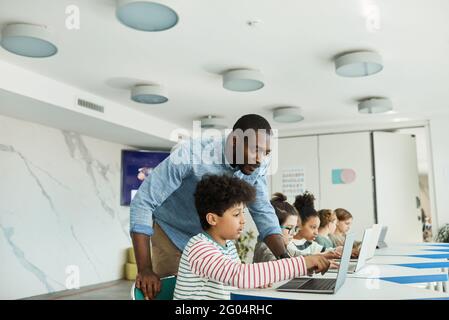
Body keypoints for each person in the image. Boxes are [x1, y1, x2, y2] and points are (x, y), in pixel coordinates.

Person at [130, 114, 294, 299]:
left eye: (267, 153)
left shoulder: (257, 164)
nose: (261, 159)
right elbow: (143, 201)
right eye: (256, 150)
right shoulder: (191, 154)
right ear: (234, 141)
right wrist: (144, 269)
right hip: (173, 233)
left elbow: (262, 209)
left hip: (215, 238)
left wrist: (284, 258)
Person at [173, 175, 330, 300]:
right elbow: (238, 274)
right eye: (236, 214)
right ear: (212, 219)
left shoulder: (228, 246)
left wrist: (256, 281)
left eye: (243, 212)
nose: (243, 220)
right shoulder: (199, 247)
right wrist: (304, 262)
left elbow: (233, 282)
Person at [253, 192, 300, 262]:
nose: (294, 233)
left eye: (295, 228)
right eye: (289, 228)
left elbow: (297, 254)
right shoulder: (264, 249)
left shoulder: (283, 246)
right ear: (274, 228)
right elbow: (281, 266)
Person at [292, 192, 341, 259]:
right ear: (299, 223)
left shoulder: (309, 243)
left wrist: (340, 250)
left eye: (317, 228)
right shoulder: (288, 244)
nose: (316, 232)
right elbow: (302, 258)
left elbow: (327, 250)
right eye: (313, 227)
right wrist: (322, 255)